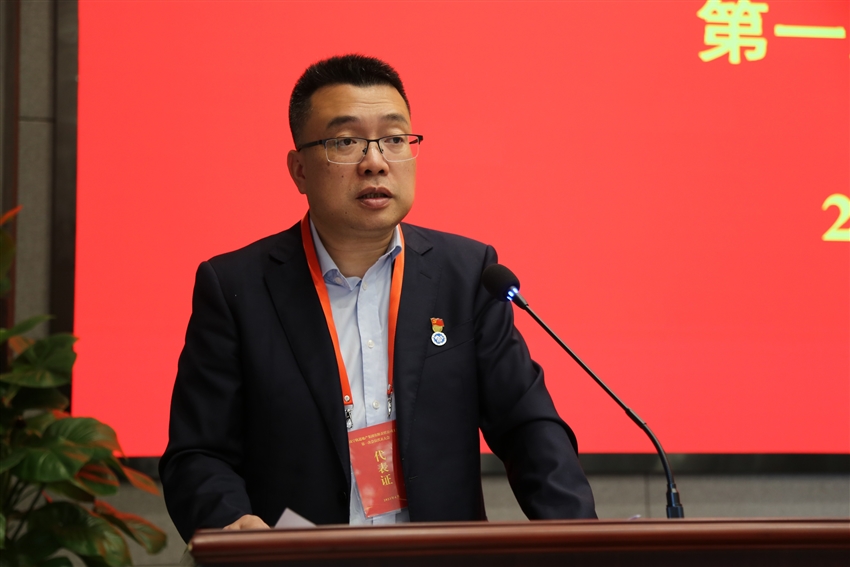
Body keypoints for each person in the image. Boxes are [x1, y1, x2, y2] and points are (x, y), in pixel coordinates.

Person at [160, 54, 596, 542]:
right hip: (297, 562)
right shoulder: (236, 288)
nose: (375, 161)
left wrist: (582, 539)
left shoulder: (468, 274)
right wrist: (232, 523)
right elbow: (198, 454)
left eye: (394, 139)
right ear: (299, 170)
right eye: (345, 142)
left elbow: (528, 428)